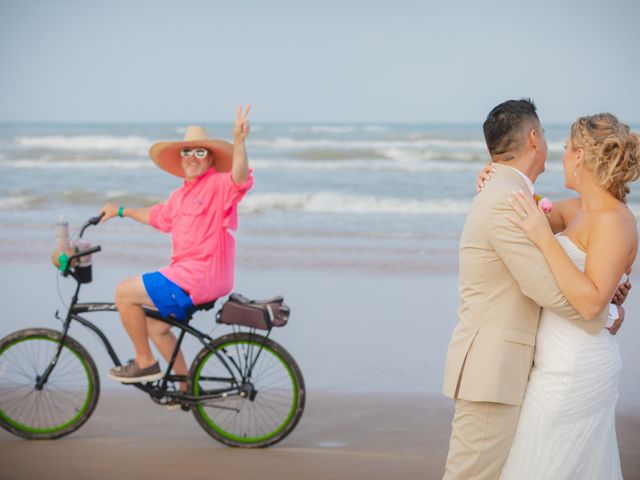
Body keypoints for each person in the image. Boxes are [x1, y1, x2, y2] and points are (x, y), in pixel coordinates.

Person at [441, 99, 625, 480]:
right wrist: (607, 311)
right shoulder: (508, 200)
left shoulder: (518, 197)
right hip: (497, 371)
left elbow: (562, 255)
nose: (558, 154)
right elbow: (546, 286)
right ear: (534, 138)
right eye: (552, 142)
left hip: (550, 365)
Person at [494, 112, 639, 479]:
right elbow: (531, 206)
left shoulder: (615, 221)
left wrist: (544, 240)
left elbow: (591, 302)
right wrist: (494, 175)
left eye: (564, 148)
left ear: (580, 156)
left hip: (576, 368)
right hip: (553, 361)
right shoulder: (578, 210)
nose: (560, 155)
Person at [99, 106, 254, 389]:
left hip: (198, 277)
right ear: (180, 158)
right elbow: (158, 216)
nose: (192, 158)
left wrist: (239, 142)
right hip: (190, 275)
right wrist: (121, 210)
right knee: (156, 328)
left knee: (124, 292)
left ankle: (144, 362)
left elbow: (240, 179)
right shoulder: (180, 195)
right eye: (187, 152)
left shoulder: (218, 186)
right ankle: (185, 387)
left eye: (199, 153)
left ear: (210, 159)